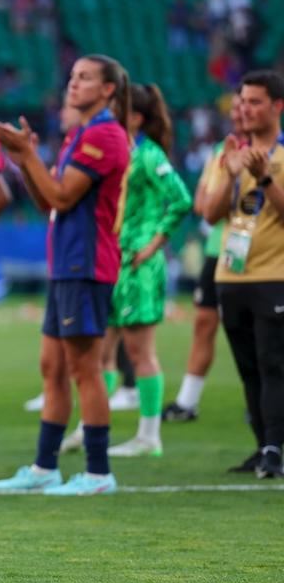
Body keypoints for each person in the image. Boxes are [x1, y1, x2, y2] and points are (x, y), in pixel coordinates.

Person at [0, 54, 132, 495]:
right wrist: (22, 161)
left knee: (84, 368)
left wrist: (28, 155)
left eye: (85, 77)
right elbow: (48, 203)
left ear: (109, 89)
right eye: (72, 76)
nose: (74, 83)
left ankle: (97, 471)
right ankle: (45, 466)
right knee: (52, 366)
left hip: (86, 264)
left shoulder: (105, 135)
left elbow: (63, 196)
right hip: (66, 263)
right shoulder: (80, 134)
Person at [100, 83, 190, 458]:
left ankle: (149, 435)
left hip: (139, 265)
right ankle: (92, 429)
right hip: (112, 260)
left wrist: (153, 246)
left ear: (135, 117)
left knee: (139, 352)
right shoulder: (123, 152)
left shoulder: (151, 156)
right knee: (100, 352)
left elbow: (181, 199)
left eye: (115, 109)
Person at [201, 70, 284, 478]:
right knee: (248, 367)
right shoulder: (229, 153)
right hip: (231, 276)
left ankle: (274, 448)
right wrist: (233, 172)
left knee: (274, 364)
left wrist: (266, 177)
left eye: (255, 102)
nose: (245, 109)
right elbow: (210, 214)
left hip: (275, 274)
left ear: (277, 106)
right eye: (243, 101)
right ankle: (261, 447)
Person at [163, 94, 246, 422]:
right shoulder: (218, 153)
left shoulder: (276, 153)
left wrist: (222, 201)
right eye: (237, 108)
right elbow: (202, 205)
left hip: (261, 254)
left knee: (258, 332)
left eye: (249, 106)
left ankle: (264, 401)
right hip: (220, 250)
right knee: (204, 323)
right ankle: (187, 401)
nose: (240, 114)